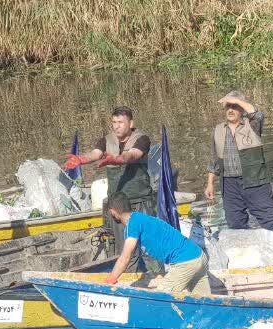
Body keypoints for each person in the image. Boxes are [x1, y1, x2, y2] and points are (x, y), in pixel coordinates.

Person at [65, 106, 157, 267]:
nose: (116, 126)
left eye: (120, 122)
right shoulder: (106, 140)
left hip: (140, 200)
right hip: (118, 205)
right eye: (114, 122)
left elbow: (132, 154)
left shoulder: (142, 139)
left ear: (131, 123)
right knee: (125, 248)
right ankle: (129, 278)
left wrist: (118, 159)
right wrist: (80, 159)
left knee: (148, 246)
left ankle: (156, 275)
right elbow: (94, 154)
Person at [103, 192, 211, 294]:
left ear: (113, 211)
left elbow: (125, 258)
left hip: (185, 263)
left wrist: (110, 280)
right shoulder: (140, 217)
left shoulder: (132, 225)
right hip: (199, 256)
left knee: (161, 298)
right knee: (204, 303)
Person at [205, 91, 273, 231]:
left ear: (241, 108)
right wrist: (210, 184)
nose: (230, 110)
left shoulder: (252, 125)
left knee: (270, 220)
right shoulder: (217, 130)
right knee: (235, 223)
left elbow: (257, 114)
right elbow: (213, 159)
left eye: (234, 106)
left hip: (255, 180)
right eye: (228, 106)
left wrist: (236, 100)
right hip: (229, 184)